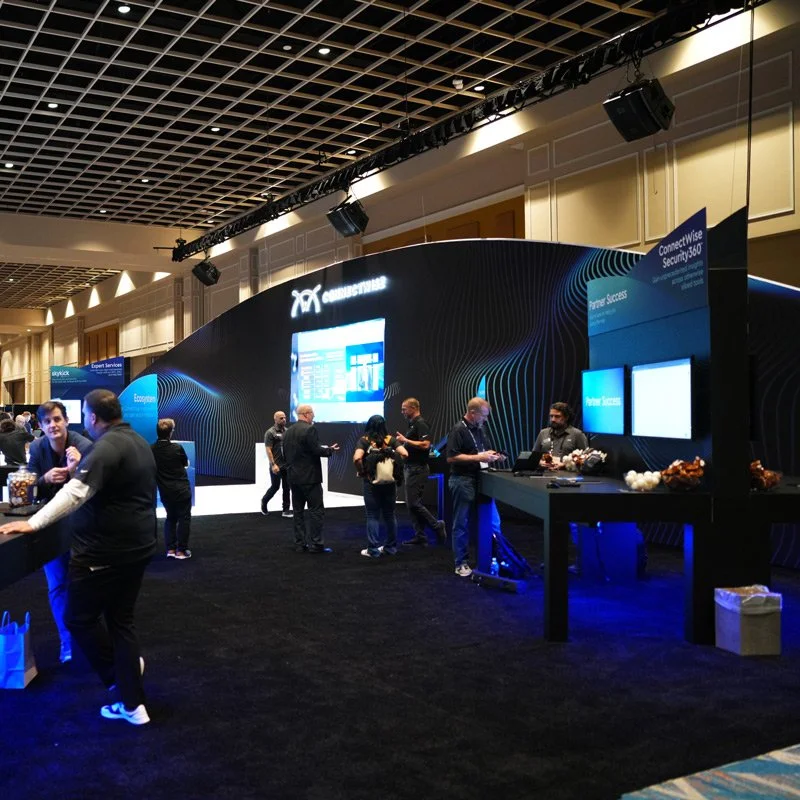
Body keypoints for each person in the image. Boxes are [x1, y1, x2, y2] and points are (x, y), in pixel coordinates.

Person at [0, 389, 157, 726]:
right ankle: (132, 697)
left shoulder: (104, 447)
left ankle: (121, 679)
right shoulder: (136, 441)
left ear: (92, 418)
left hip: (106, 553)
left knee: (79, 619)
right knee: (120, 622)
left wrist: (33, 522)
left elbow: (75, 493)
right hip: (138, 547)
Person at [27, 401, 92, 663]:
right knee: (57, 586)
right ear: (41, 426)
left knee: (85, 586)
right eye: (47, 422)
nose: (53, 425)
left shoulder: (85, 446)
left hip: (82, 529)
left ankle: (90, 641)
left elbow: (95, 488)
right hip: (51, 529)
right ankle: (67, 642)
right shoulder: (37, 447)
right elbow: (28, 487)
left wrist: (77, 471)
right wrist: (43, 480)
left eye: (57, 419)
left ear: (66, 420)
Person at [446, 397, 506, 577]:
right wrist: (478, 458)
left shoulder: (480, 429)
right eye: (484, 416)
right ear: (473, 413)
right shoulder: (458, 430)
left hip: (481, 480)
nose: (485, 420)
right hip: (462, 480)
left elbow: (482, 451)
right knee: (461, 523)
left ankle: (494, 557)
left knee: (493, 522)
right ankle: (460, 563)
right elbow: (451, 457)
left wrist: (495, 455)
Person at [282, 404, 339, 554]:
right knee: (316, 511)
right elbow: (316, 450)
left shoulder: (288, 432)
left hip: (293, 477)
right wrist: (330, 450)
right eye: (313, 413)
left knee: (298, 511)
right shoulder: (310, 429)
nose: (314, 416)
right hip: (310, 478)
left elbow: (285, 454)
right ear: (307, 414)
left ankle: (300, 544)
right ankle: (316, 544)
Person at [353, 415, 408, 558]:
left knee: (372, 516)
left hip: (371, 484)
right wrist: (394, 465)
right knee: (390, 515)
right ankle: (390, 548)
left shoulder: (364, 441)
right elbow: (405, 453)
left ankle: (373, 550)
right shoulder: (390, 440)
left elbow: (357, 458)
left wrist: (362, 472)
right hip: (389, 484)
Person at [395, 397, 446, 546]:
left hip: (418, 469)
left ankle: (437, 525)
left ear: (413, 408)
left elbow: (425, 445)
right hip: (410, 468)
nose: (402, 412)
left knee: (414, 504)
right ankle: (420, 535)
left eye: (404, 408)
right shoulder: (412, 424)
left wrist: (406, 440)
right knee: (412, 504)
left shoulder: (421, 424)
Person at [152, 418, 192, 560]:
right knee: (184, 518)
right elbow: (185, 463)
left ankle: (170, 549)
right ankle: (181, 550)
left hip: (165, 491)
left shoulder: (152, 449)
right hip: (181, 489)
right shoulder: (177, 448)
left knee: (171, 518)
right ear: (170, 433)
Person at [532, 402, 588, 469]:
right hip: (544, 474)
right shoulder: (543, 433)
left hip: (567, 475)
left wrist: (564, 465)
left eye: (557, 416)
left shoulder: (577, 434)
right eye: (551, 416)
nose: (553, 419)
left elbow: (585, 459)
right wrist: (540, 462)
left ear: (566, 417)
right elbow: (533, 457)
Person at [261, 410, 292, 518]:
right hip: (276, 465)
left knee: (287, 487)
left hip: (286, 465)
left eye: (284, 417)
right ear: (275, 419)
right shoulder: (270, 433)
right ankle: (264, 501)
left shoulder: (287, 431)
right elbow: (268, 450)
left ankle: (286, 510)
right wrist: (273, 464)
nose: (284, 419)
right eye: (281, 418)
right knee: (275, 487)